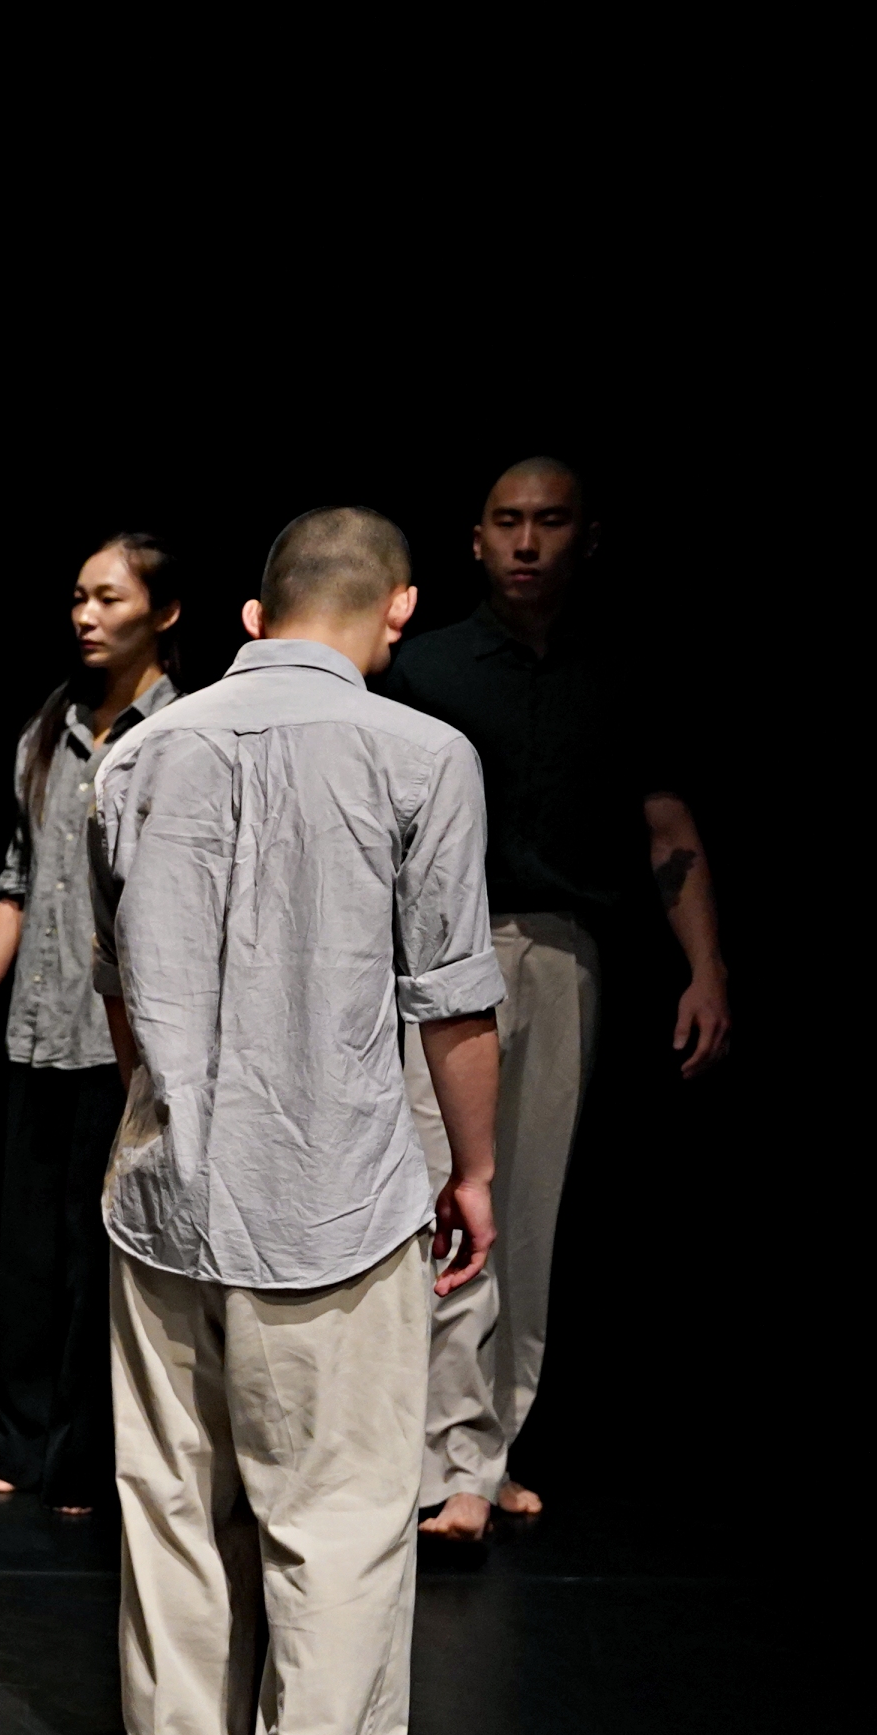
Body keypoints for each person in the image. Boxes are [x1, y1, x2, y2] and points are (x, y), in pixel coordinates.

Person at [92, 506, 504, 1735]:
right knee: (336, 1515)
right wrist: (475, 1171)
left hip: (166, 1186)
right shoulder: (423, 754)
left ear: (258, 614)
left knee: (169, 1497)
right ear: (399, 609)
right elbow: (454, 998)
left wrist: (169, 1115)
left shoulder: (142, 752)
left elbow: (120, 994)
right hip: (332, 1195)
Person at [380, 457, 733, 1541]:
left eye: (549, 521)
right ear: (475, 538)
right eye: (507, 521)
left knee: (525, 1211)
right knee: (443, 1195)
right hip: (444, 953)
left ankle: (483, 1453)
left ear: (588, 537)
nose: (527, 541)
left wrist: (706, 968)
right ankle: (434, 1455)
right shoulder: (426, 668)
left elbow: (666, 827)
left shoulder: (618, 672)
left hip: (561, 950)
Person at [0, 533, 188, 1516]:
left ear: (163, 612)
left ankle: (83, 1456)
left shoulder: (179, 736)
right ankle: (23, 1436)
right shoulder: (49, 729)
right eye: (79, 597)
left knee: (99, 1259)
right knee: (29, 1256)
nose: (87, 616)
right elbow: (19, 880)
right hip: (40, 1030)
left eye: (110, 598)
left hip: (120, 1042)